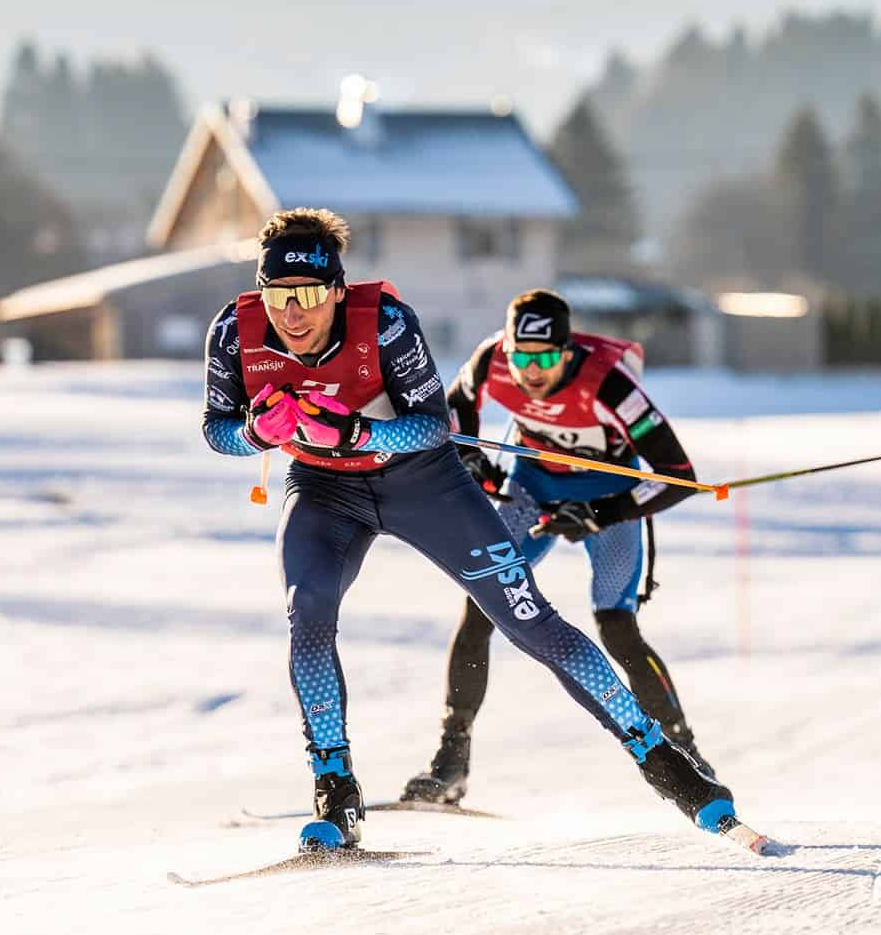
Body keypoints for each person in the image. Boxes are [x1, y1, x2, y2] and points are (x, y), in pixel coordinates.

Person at [201, 209, 739, 850]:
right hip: (325, 491)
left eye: (311, 295)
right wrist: (261, 431)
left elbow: (432, 426)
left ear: (338, 291)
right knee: (307, 612)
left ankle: (665, 762)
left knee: (528, 620)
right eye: (279, 295)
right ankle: (334, 788)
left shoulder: (388, 325)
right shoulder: (236, 332)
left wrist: (353, 432)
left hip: (424, 485)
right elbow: (217, 428)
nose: (293, 314)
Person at [402, 289, 712, 806]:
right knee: (483, 608)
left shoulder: (611, 386)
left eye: (546, 358)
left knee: (617, 629)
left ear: (567, 353)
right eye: (523, 356)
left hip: (609, 498)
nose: (532, 369)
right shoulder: (490, 359)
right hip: (534, 489)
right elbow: (453, 429)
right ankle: (450, 762)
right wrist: (474, 464)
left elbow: (678, 478)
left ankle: (688, 755)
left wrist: (601, 513)